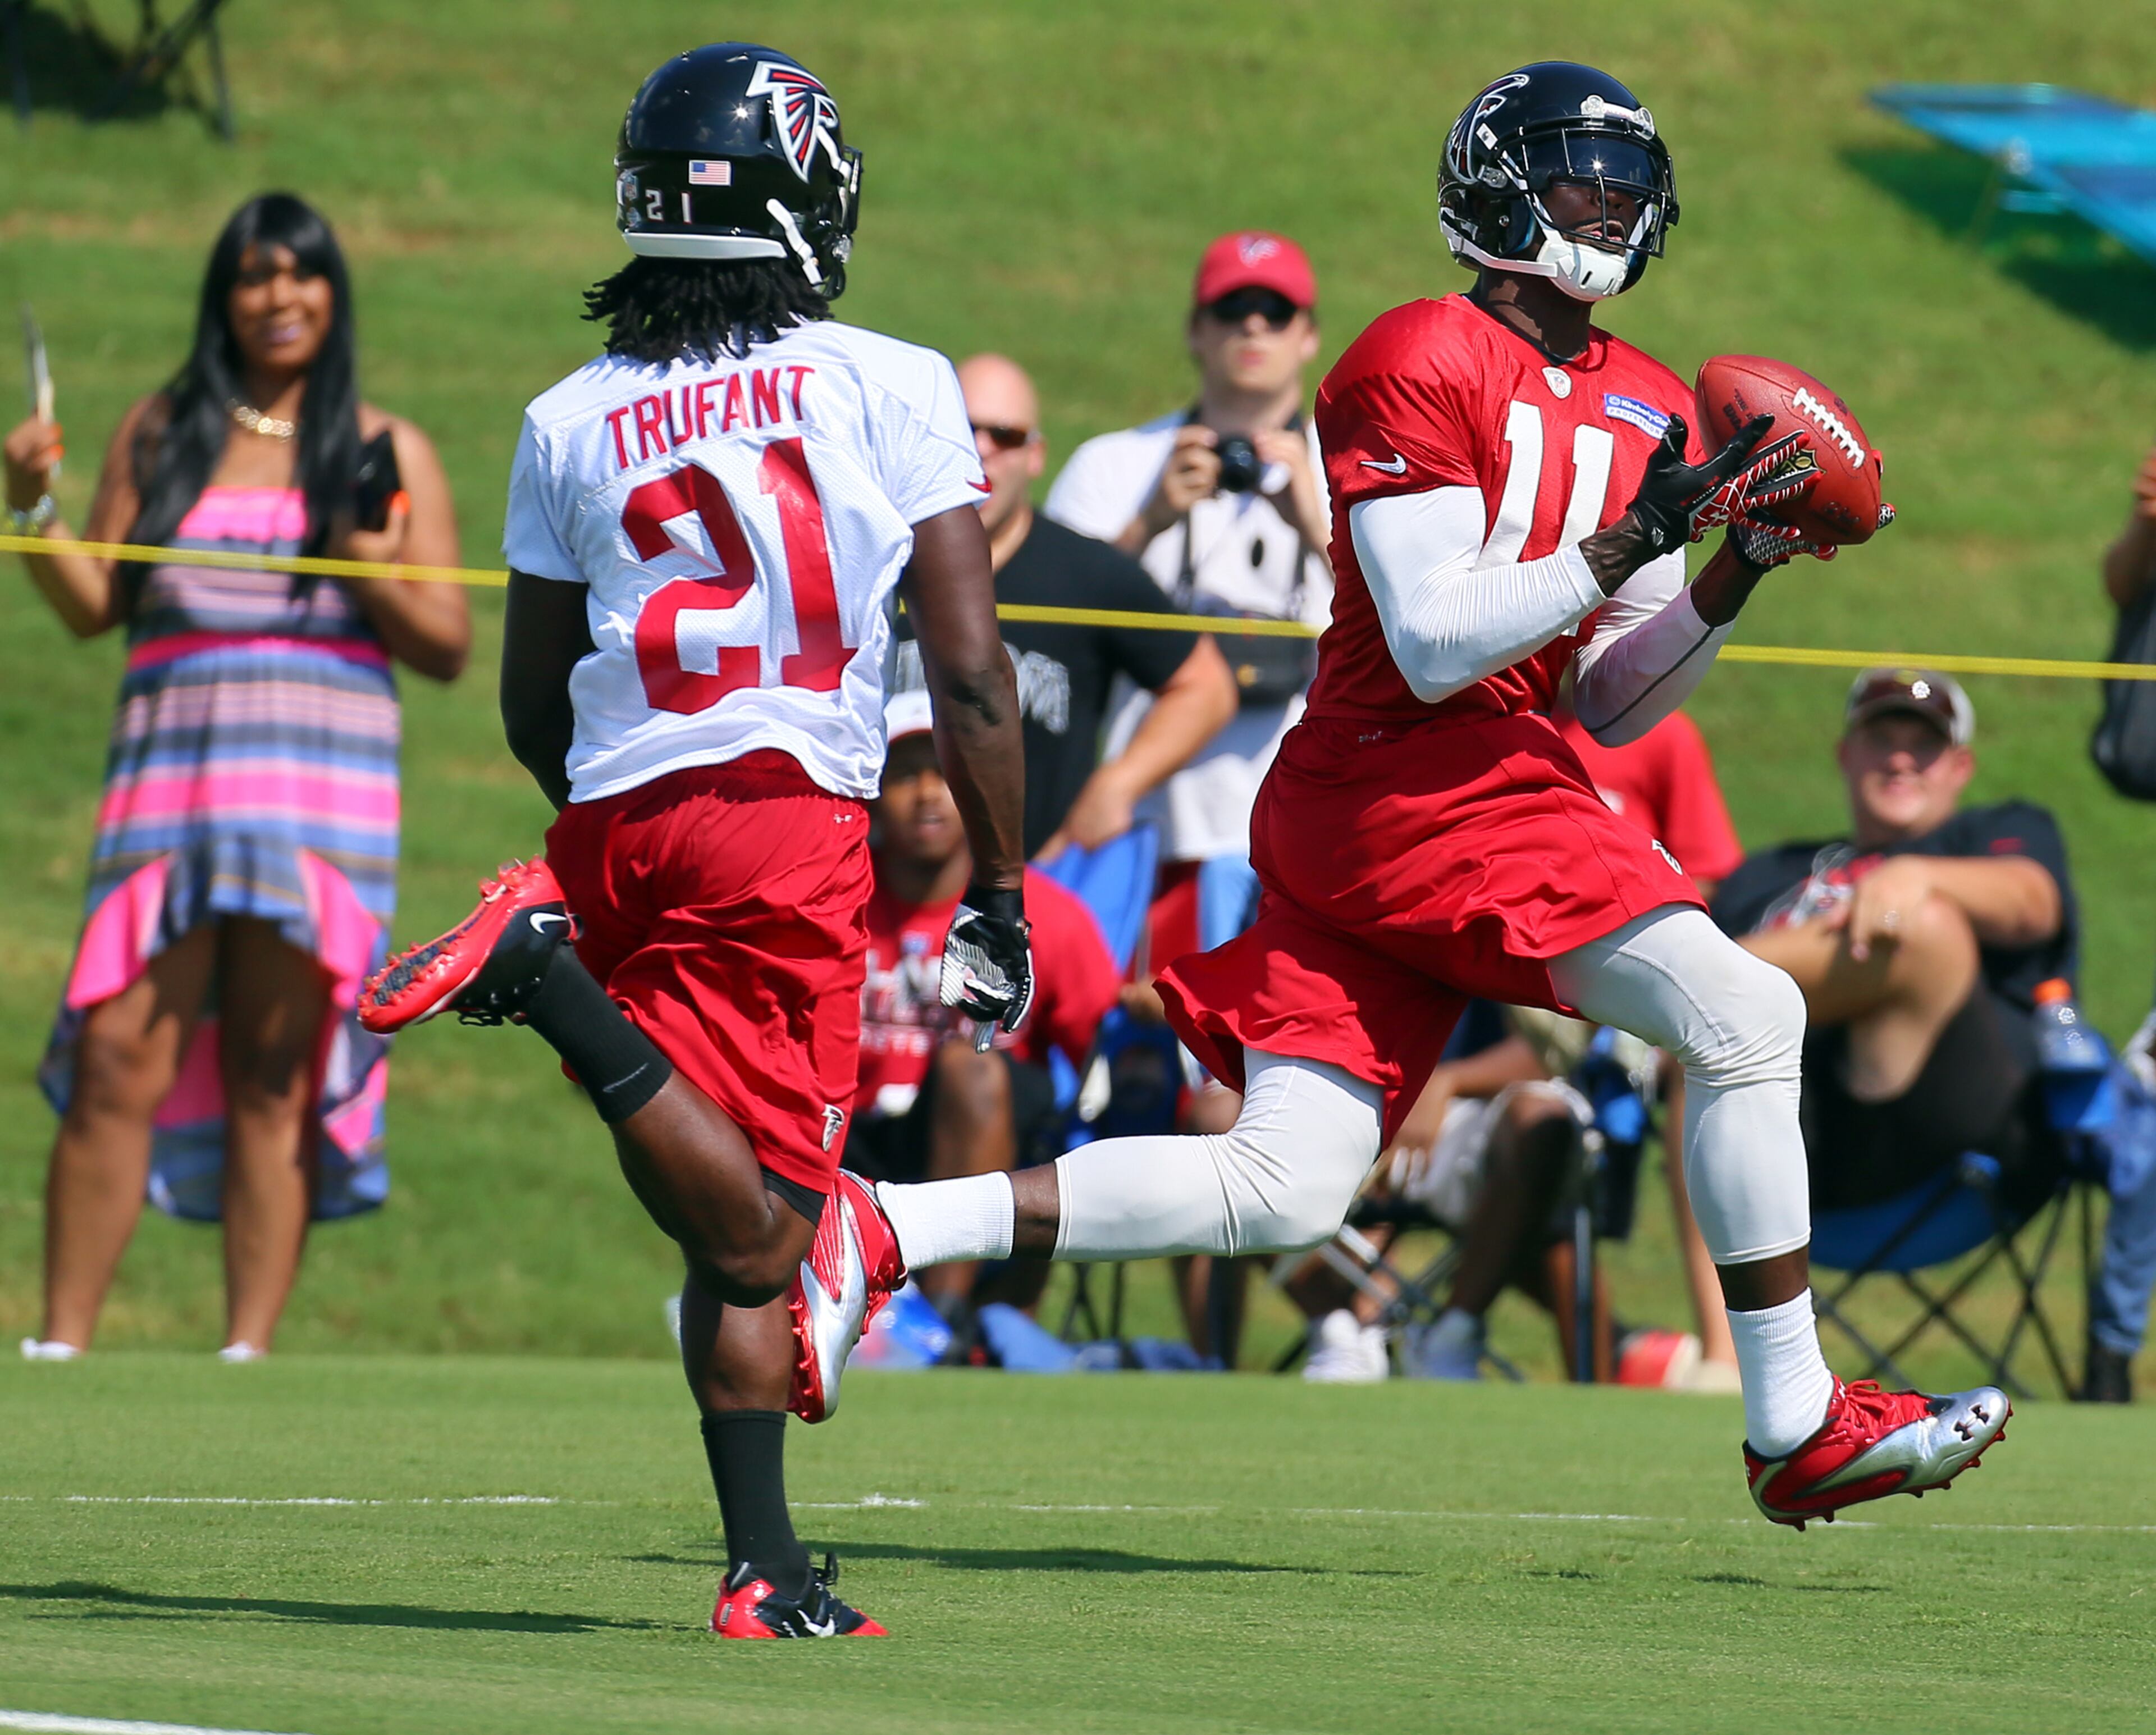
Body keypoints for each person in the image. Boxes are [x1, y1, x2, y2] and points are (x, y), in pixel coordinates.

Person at [860, 61, 2006, 1532]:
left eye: (1627, 178)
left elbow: (1606, 699)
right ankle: (1793, 1418)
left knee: (1283, 1184)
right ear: (1496, 186)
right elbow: (1434, 637)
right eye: (1579, 170)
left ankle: (881, 1224)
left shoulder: (1651, 398)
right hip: (1411, 777)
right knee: (1751, 1012)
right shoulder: (1416, 350)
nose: (1612, 199)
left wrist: (1727, 566)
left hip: (1456, 789)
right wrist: (1634, 532)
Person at [357, 45, 1030, 1638]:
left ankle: (762, 1571)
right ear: (806, 197)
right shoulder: (888, 377)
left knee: (733, 1244)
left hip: (619, 806)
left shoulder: (566, 414)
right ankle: (547, 981)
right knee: (774, 1229)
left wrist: (611, 821)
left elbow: (534, 697)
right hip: (781, 813)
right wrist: (1002, 885)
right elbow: (975, 666)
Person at [9, 192, 469, 1364]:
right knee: (117, 1055)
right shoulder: (160, 432)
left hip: (316, 806)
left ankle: (244, 1360)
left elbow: (448, 643)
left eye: (303, 276)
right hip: (168, 798)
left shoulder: (382, 446)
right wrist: (30, 506)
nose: (281, 298)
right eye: (257, 277)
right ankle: (59, 1349)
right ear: (224, 296)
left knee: (277, 1073)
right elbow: (94, 606)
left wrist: (363, 559)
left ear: (334, 294)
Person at [1713, 668, 2156, 1403]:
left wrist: (1915, 876)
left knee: (1915, 932)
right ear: (1845, 754)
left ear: (1960, 767)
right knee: (1709, 1039)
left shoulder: (1997, 832)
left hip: (1964, 1146)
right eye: (1880, 739)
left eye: (1923, 747)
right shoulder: (1770, 875)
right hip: (1792, 1145)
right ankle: (1719, 1359)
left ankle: (1686, 987)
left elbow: (2031, 902)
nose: (1898, 759)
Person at [1045, 230, 1335, 957]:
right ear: (1195, 330)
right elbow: (1048, 636)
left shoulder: (1356, 474)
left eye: (1276, 311)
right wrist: (1148, 523)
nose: (1253, 328)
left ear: (1309, 336)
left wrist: (1318, 527)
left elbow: (1417, 640)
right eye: (1232, 309)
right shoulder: (1114, 466)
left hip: (1305, 839)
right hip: (1147, 824)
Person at [890, 354, 1235, 861]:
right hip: (883, 897)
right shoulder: (884, 560)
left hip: (1040, 888)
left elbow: (1205, 688)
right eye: (961, 430)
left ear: (1035, 455)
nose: (981, 450)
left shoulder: (1086, 572)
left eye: (1004, 436)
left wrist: (1117, 785)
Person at [851, 691, 1120, 1311]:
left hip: (984, 1155)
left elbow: (1101, 1060)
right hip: (848, 1139)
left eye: (946, 774)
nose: (926, 794)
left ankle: (941, 1325)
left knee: (971, 1069)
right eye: (904, 775)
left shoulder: (1045, 914)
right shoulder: (830, 897)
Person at [1559, 698, 1746, 1386]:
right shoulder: (1486, 721)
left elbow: (1702, 878)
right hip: (1496, 1002)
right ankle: (1357, 1325)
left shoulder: (1656, 731)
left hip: (1621, 1014)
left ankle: (1724, 1357)